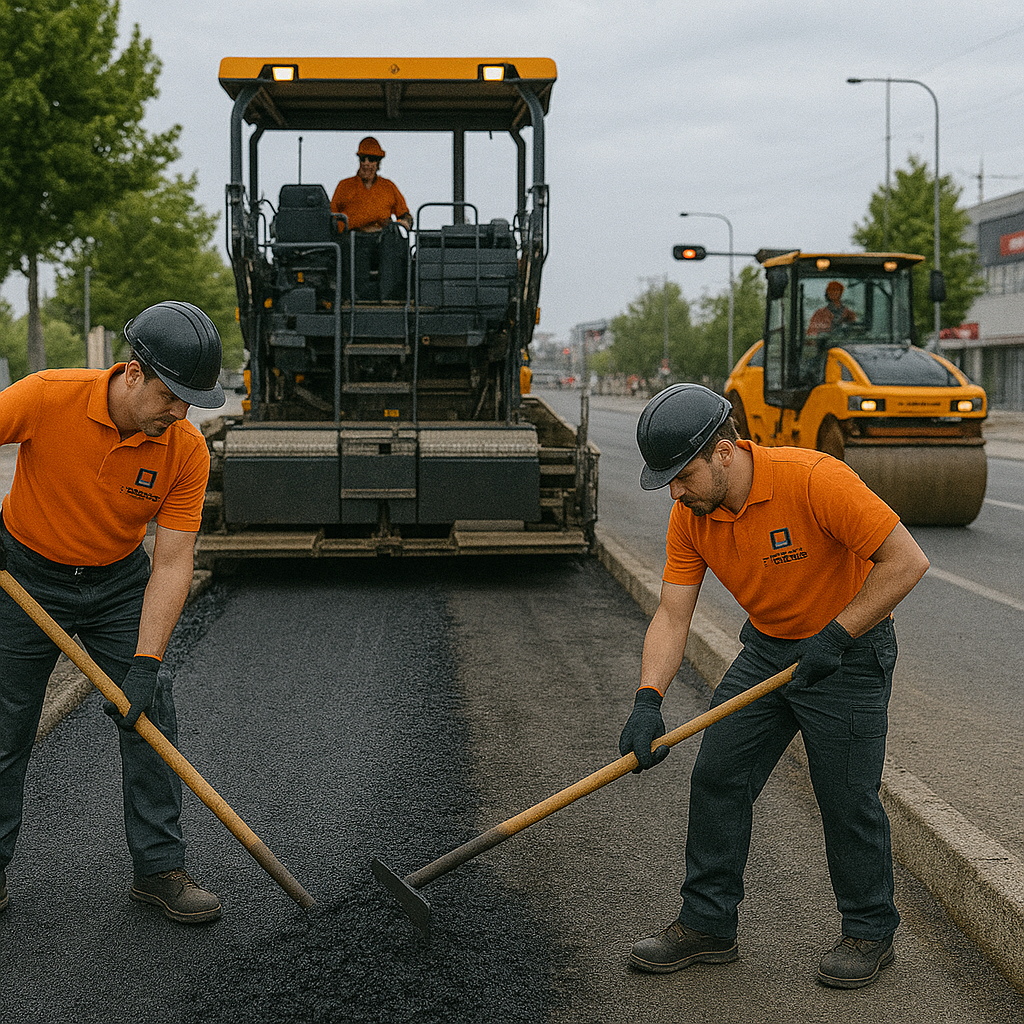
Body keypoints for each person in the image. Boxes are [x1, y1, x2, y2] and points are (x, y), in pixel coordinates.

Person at [618, 383, 929, 989]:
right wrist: (647, 700)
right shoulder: (692, 517)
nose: (676, 493)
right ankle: (707, 925)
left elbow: (906, 561)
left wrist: (837, 636)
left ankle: (869, 930)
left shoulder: (813, 479)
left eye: (682, 476)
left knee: (845, 796)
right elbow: (673, 614)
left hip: (850, 653)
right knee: (718, 776)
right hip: (767, 652)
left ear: (725, 451)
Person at [0, 301, 226, 925]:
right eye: (171, 396)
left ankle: (159, 870)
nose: (181, 413)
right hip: (25, 573)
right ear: (132, 373)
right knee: (6, 724)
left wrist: (147, 663)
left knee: (150, 714)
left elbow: (173, 562)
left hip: (118, 584)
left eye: (190, 401)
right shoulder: (47, 396)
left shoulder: (185, 450)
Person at [330, 136, 413, 233]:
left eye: (371, 159)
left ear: (378, 162)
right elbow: (332, 217)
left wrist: (404, 222)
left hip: (382, 241)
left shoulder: (388, 187)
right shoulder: (344, 186)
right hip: (352, 239)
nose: (366, 163)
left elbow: (405, 216)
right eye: (362, 159)